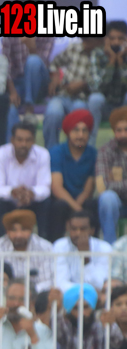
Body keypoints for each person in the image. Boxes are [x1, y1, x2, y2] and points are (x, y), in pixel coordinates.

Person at [0, 121, 52, 239]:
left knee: (47, 202)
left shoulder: (43, 154)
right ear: (12, 140)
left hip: (32, 201)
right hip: (8, 202)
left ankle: (44, 242)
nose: (24, 144)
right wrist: (12, 192)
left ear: (33, 141)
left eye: (28, 140)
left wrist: (31, 193)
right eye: (20, 140)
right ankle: (0, 243)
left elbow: (45, 187)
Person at [45, 37, 105, 149]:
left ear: (99, 41)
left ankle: (73, 152)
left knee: (78, 118)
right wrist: (55, 77)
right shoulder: (74, 48)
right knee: (53, 113)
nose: (85, 43)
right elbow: (54, 63)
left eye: (89, 40)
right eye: (84, 40)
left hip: (83, 98)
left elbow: (101, 81)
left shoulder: (102, 55)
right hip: (62, 95)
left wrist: (83, 84)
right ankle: (51, 152)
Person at [49, 109, 98, 241]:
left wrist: (79, 209)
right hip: (62, 200)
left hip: (82, 201)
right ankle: (54, 246)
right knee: (58, 206)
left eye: (84, 131)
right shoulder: (57, 152)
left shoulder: (93, 154)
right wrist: (77, 210)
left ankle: (93, 247)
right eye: (76, 130)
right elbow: (57, 188)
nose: (80, 135)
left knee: (92, 204)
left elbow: (88, 189)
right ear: (68, 132)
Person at [0, 209, 55, 292]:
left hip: (36, 295)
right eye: (14, 230)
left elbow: (47, 281)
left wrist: (26, 293)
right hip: (6, 295)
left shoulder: (44, 247)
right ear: (7, 231)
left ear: (31, 230)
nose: (18, 235)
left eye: (23, 230)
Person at [3, 37, 54, 129]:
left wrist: (31, 47)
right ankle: (13, 137)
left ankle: (29, 107)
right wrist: (12, 92)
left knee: (33, 60)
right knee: (10, 108)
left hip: (39, 83)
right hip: (18, 83)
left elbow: (43, 63)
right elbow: (5, 65)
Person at [53, 211, 111, 291]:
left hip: (95, 296)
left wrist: (86, 259)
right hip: (69, 295)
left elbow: (99, 284)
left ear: (92, 231)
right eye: (74, 229)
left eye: (83, 229)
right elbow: (60, 283)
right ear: (68, 229)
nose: (78, 233)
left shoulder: (104, 248)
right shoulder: (60, 246)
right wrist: (84, 291)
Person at [97, 107, 127, 246]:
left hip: (119, 194)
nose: (123, 134)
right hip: (117, 204)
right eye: (118, 130)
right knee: (107, 198)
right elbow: (102, 186)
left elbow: (110, 184)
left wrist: (117, 184)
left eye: (126, 129)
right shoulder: (105, 151)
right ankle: (109, 248)